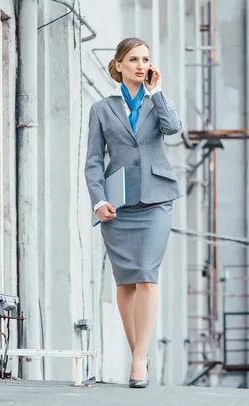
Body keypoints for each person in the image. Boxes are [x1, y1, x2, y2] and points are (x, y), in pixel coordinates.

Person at [84, 37, 182, 389]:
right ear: (120, 65)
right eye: (134, 60)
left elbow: (173, 129)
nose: (141, 65)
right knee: (125, 280)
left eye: (146, 59)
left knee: (146, 275)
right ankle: (137, 352)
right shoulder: (101, 108)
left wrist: (158, 93)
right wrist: (98, 200)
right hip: (119, 204)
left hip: (156, 200)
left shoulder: (158, 102)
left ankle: (139, 357)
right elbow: (94, 161)